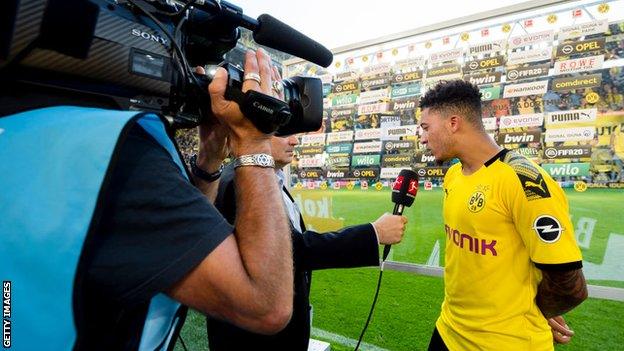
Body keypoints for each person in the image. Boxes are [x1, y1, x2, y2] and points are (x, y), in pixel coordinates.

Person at [1, 49, 296, 349]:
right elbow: (265, 304)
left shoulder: (25, 123)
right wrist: (253, 140)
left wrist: (209, 160)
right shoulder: (120, 152)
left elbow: (186, 243)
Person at [418, 80, 588, 350]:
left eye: (426, 128)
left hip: (507, 342)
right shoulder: (453, 176)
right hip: (448, 331)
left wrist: (537, 310)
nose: (422, 137)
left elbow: (570, 285)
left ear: (453, 123)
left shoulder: (524, 181)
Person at [206, 133, 408, 350]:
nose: (294, 141)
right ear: (250, 134)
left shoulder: (268, 178)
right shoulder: (239, 182)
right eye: (283, 134)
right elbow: (293, 250)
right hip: (255, 339)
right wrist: (373, 233)